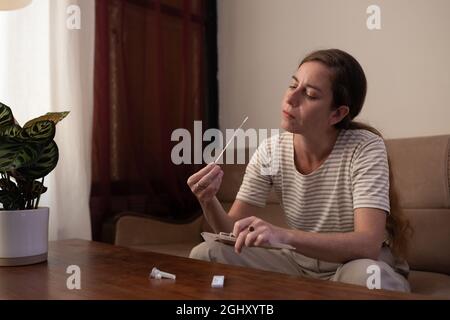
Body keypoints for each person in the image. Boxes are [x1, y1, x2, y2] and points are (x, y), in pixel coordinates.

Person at [187, 49, 411, 292]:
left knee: (369, 277)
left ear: (337, 113)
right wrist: (208, 200)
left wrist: (282, 236)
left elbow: (368, 245)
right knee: (206, 253)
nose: (291, 98)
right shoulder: (270, 150)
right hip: (297, 263)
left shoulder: (365, 147)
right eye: (293, 85)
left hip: (355, 264)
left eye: (310, 94)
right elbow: (231, 231)